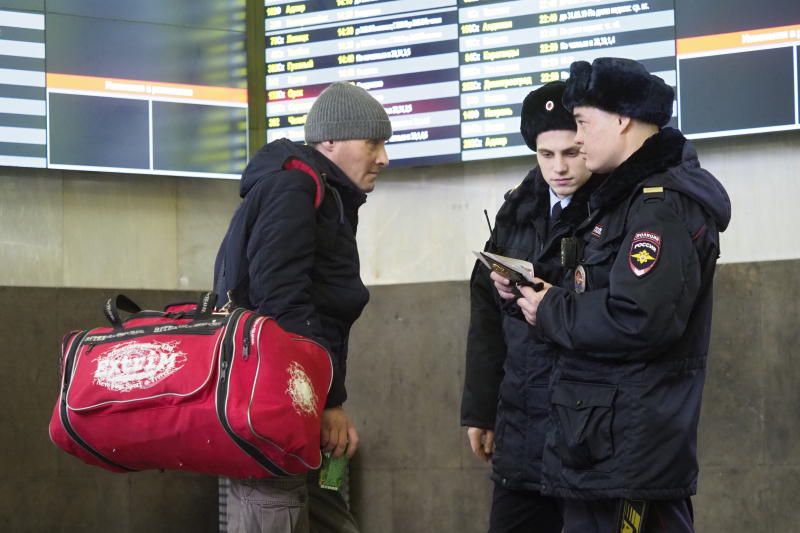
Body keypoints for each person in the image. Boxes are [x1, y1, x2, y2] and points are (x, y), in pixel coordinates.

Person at [493, 58, 731, 532]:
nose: (577, 139)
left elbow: (639, 318)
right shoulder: (623, 201)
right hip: (600, 447)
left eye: (582, 123)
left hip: (630, 454)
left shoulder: (659, 207)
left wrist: (551, 306)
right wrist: (539, 288)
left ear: (622, 120)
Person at [213, 81, 391, 532]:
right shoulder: (294, 187)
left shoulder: (322, 193)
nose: (383, 158)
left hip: (290, 404)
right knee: (274, 510)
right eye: (373, 143)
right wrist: (324, 400)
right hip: (275, 405)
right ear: (330, 141)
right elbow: (283, 301)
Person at [461, 81, 601, 533]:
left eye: (570, 153)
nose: (558, 167)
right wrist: (482, 411)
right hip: (521, 432)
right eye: (546, 155)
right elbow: (485, 315)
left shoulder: (618, 210)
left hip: (588, 434)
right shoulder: (515, 211)